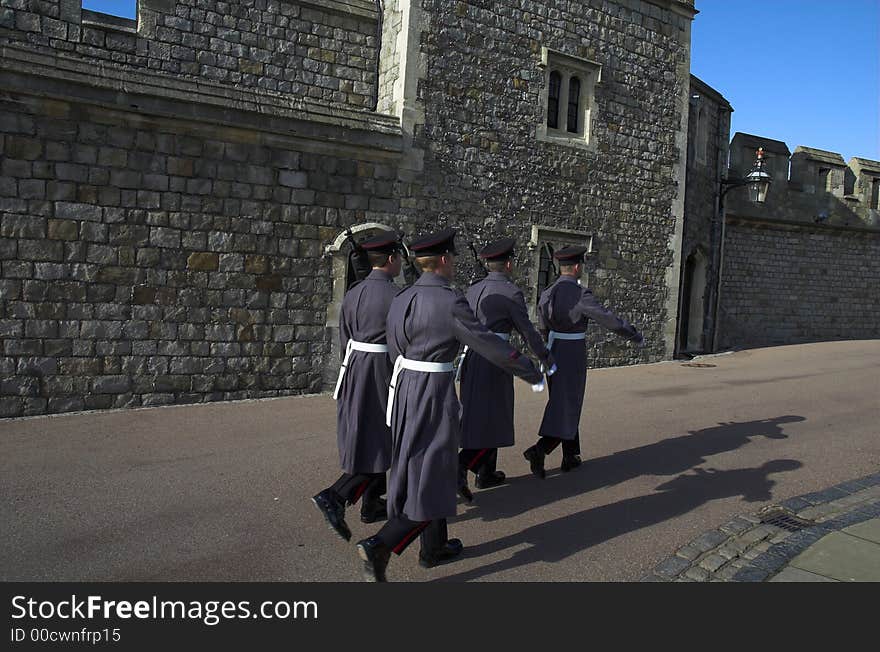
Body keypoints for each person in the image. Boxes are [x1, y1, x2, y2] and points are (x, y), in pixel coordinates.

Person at [354, 228, 544, 581]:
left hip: (403, 385)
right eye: (452, 257)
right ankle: (381, 543)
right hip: (433, 391)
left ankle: (434, 547)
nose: (454, 262)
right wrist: (530, 371)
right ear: (444, 260)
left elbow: (395, 345)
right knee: (436, 470)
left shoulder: (403, 296)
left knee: (417, 467)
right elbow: (488, 343)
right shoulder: (449, 301)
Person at [312, 232, 404, 541]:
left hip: (354, 367)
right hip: (383, 370)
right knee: (383, 437)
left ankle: (372, 503)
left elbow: (344, 334)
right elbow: (403, 340)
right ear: (391, 259)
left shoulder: (353, 292)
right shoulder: (397, 296)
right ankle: (336, 495)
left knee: (369, 433)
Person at [523, 245, 644, 478]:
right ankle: (540, 449)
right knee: (569, 402)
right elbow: (608, 319)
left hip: (552, 348)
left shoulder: (549, 291)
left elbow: (541, 323)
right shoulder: (579, 294)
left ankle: (570, 455)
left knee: (563, 400)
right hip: (572, 351)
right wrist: (632, 333)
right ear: (577, 267)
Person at [457, 237, 555, 500]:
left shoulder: (472, 289)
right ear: (509, 264)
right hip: (495, 360)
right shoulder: (511, 293)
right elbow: (527, 332)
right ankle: (463, 466)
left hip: (471, 357)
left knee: (477, 414)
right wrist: (543, 356)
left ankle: (486, 472)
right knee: (495, 416)